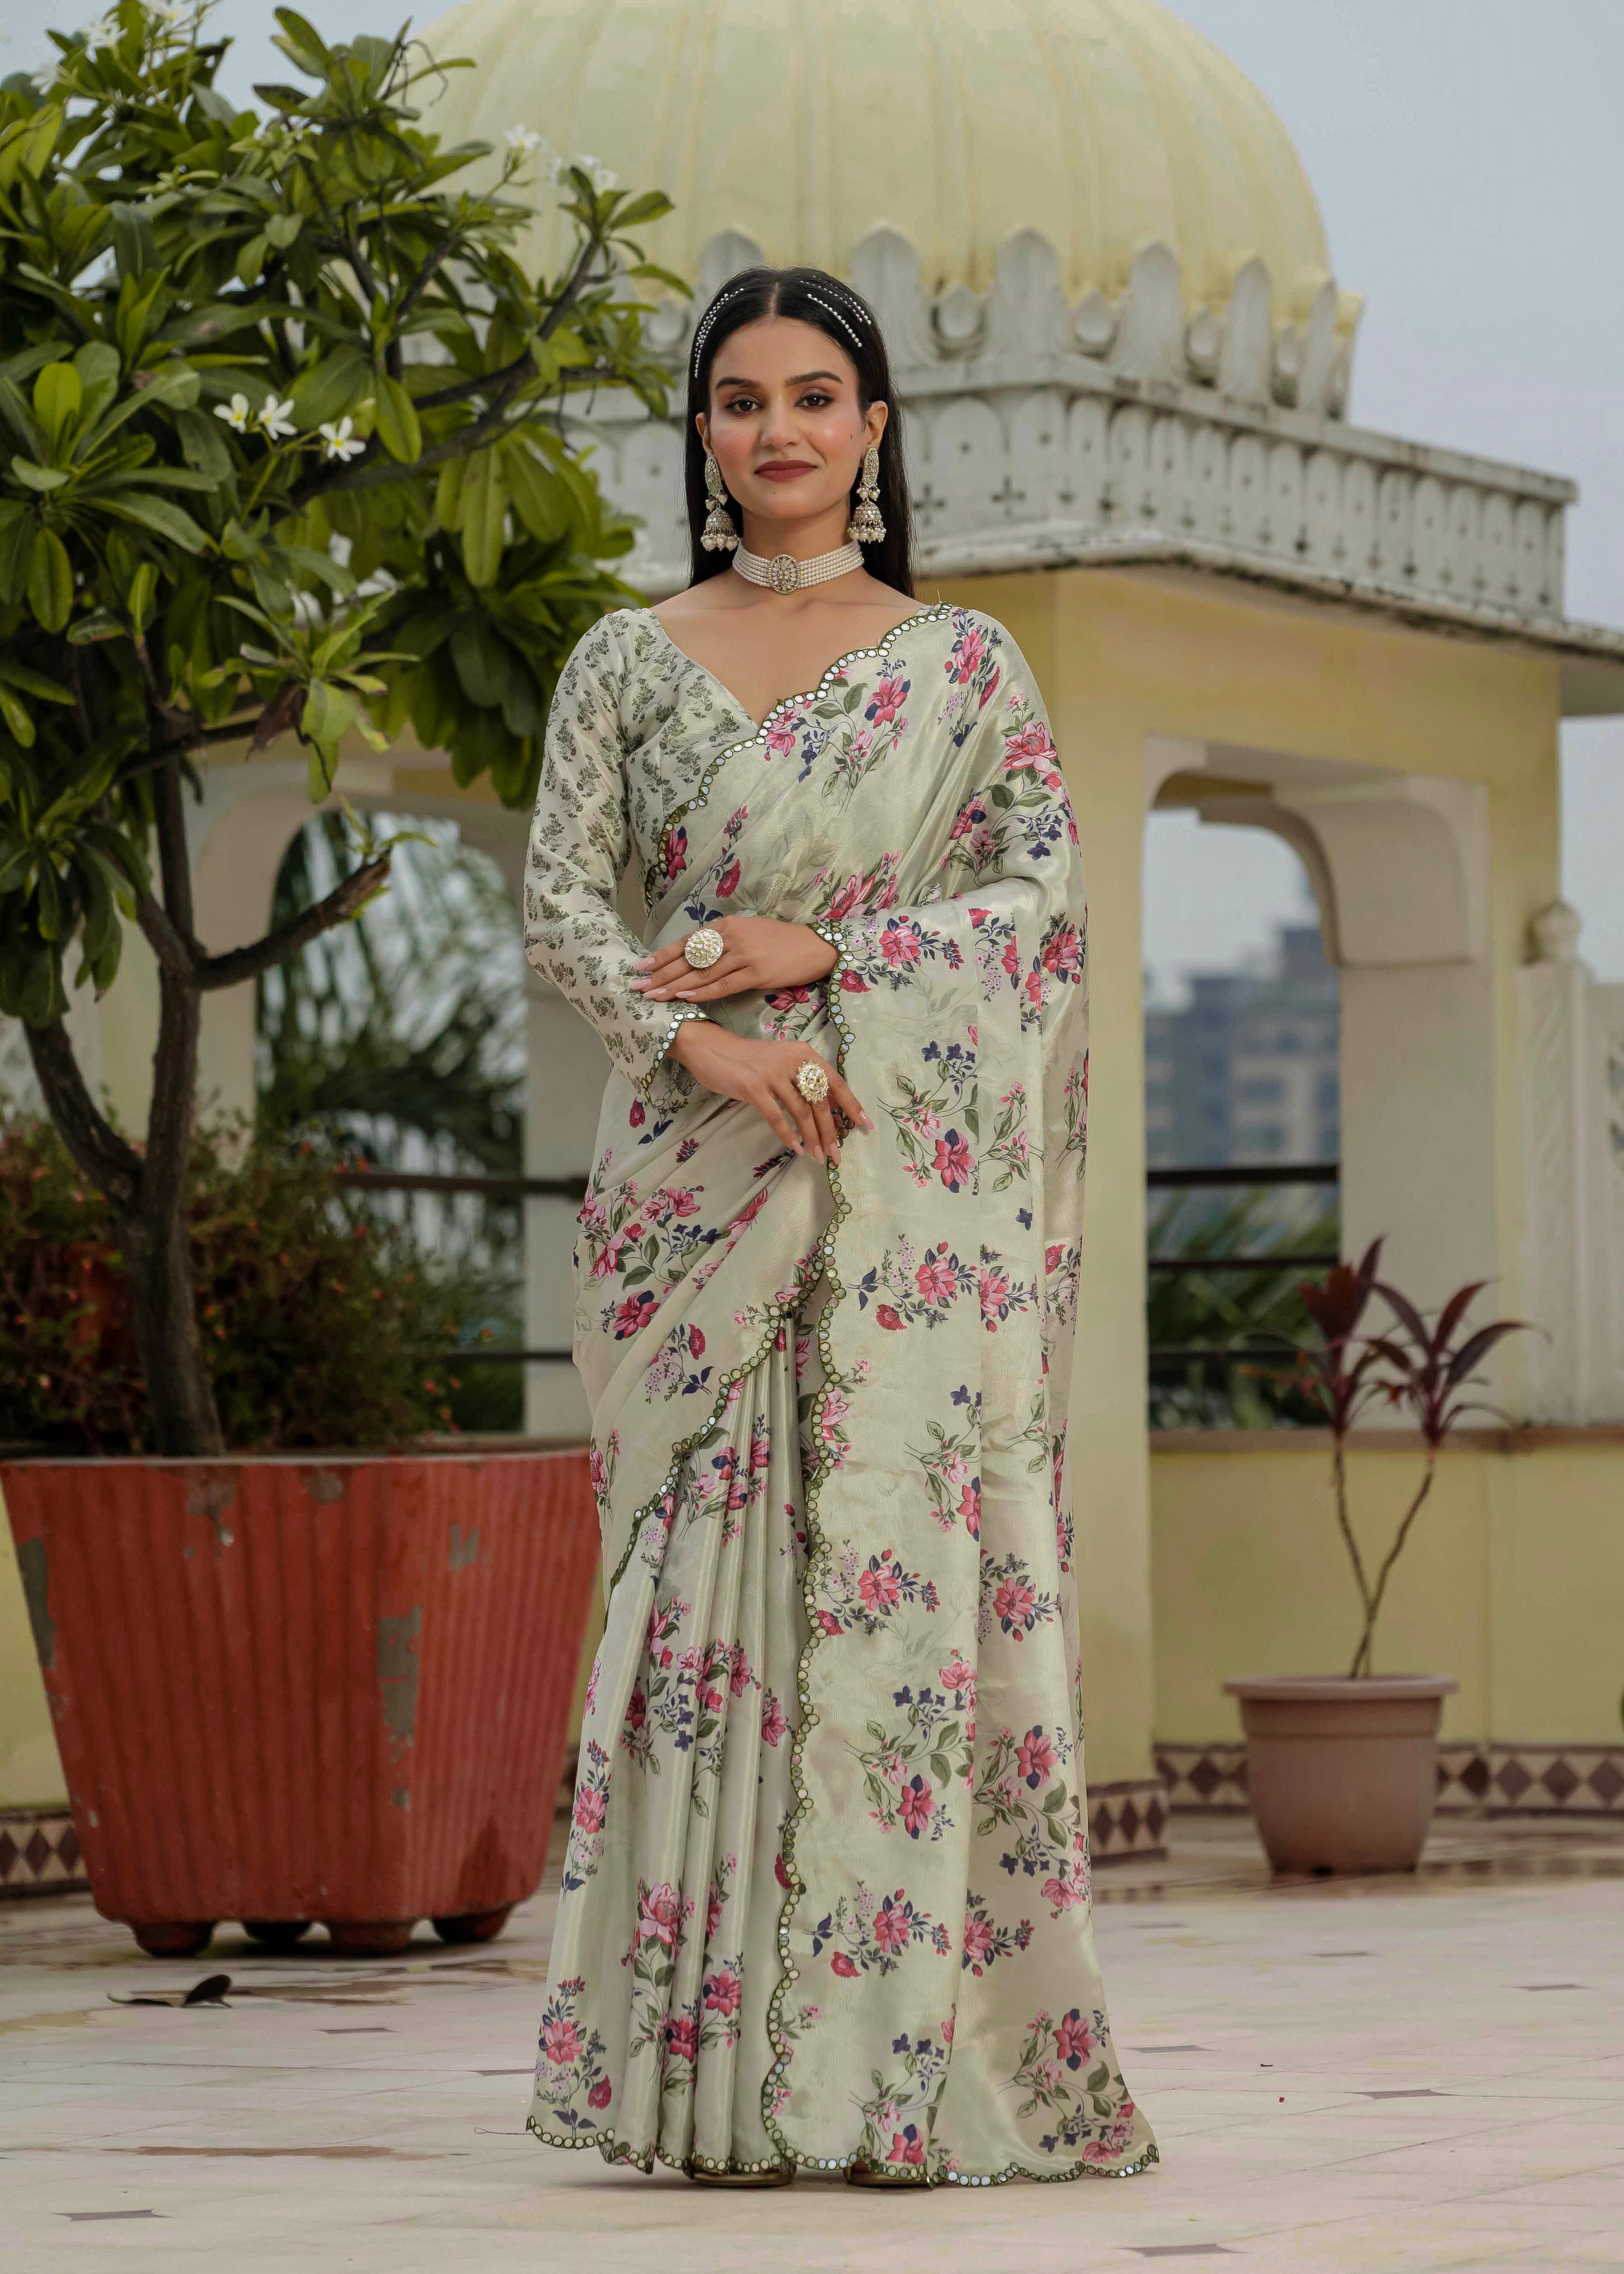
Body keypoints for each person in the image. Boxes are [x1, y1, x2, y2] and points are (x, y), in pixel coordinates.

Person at [522, 265, 1155, 2190]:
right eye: (736, 400)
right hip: (693, 1192)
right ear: (697, 431)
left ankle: (890, 2073)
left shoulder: (960, 666)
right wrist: (700, 1040)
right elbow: (561, 907)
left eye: (813, 395)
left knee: (888, 1599)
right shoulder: (625, 660)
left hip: (898, 1214)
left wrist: (840, 953)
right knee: (696, 1612)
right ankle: (691, 2084)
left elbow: (1040, 912)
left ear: (874, 427)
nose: (774, 430)